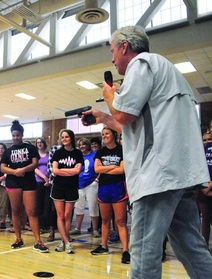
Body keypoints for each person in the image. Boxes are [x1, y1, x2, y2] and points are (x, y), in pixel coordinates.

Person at [81, 25, 212, 278]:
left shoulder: (141, 64)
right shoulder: (168, 70)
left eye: (112, 51)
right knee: (191, 247)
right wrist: (103, 118)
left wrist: (109, 95)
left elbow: (124, 114)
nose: (112, 59)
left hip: (157, 176)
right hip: (180, 175)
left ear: (124, 47)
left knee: (142, 251)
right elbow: (133, 123)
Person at [0, 120, 49, 252]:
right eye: (13, 135)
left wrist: (23, 170)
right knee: (15, 211)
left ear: (22, 135)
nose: (16, 137)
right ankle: (18, 238)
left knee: (32, 211)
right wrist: (15, 172)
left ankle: (38, 240)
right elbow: (3, 167)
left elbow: (34, 164)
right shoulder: (8, 151)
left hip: (28, 182)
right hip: (13, 182)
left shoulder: (31, 148)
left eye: (18, 135)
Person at [89, 127, 129, 264]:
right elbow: (96, 169)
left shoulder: (122, 150)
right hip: (104, 188)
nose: (104, 136)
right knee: (105, 219)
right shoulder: (100, 151)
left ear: (114, 135)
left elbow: (122, 170)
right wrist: (113, 167)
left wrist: (105, 169)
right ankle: (104, 246)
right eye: (103, 134)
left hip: (118, 187)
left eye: (107, 133)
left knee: (120, 221)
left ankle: (125, 251)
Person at [51, 129, 83, 254]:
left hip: (72, 187)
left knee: (67, 215)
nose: (64, 139)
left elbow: (78, 171)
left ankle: (63, 241)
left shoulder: (77, 153)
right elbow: (55, 171)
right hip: (58, 186)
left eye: (67, 137)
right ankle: (66, 242)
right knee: (60, 215)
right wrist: (71, 171)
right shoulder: (58, 153)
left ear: (71, 138)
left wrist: (63, 170)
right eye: (62, 137)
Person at [70, 137, 100, 238]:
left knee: (93, 206)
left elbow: (99, 168)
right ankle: (77, 228)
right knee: (79, 207)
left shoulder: (95, 155)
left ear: (88, 145)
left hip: (91, 183)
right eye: (80, 145)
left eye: (84, 144)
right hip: (80, 184)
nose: (82, 146)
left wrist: (96, 180)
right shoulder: (78, 156)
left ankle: (95, 229)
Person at [196, 131, 212, 246]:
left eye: (209, 139)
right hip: (203, 190)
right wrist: (204, 188)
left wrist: (209, 185)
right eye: (205, 140)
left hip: (208, 187)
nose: (207, 142)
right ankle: (204, 246)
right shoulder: (200, 154)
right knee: (205, 220)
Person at [34, 137, 51, 233]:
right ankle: (40, 225)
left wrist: (48, 179)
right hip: (38, 181)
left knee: (47, 204)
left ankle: (46, 225)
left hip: (48, 182)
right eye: (38, 142)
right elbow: (34, 168)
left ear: (44, 143)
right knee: (39, 204)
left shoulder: (49, 154)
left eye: (41, 142)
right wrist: (44, 177)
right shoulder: (35, 155)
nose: (39, 144)